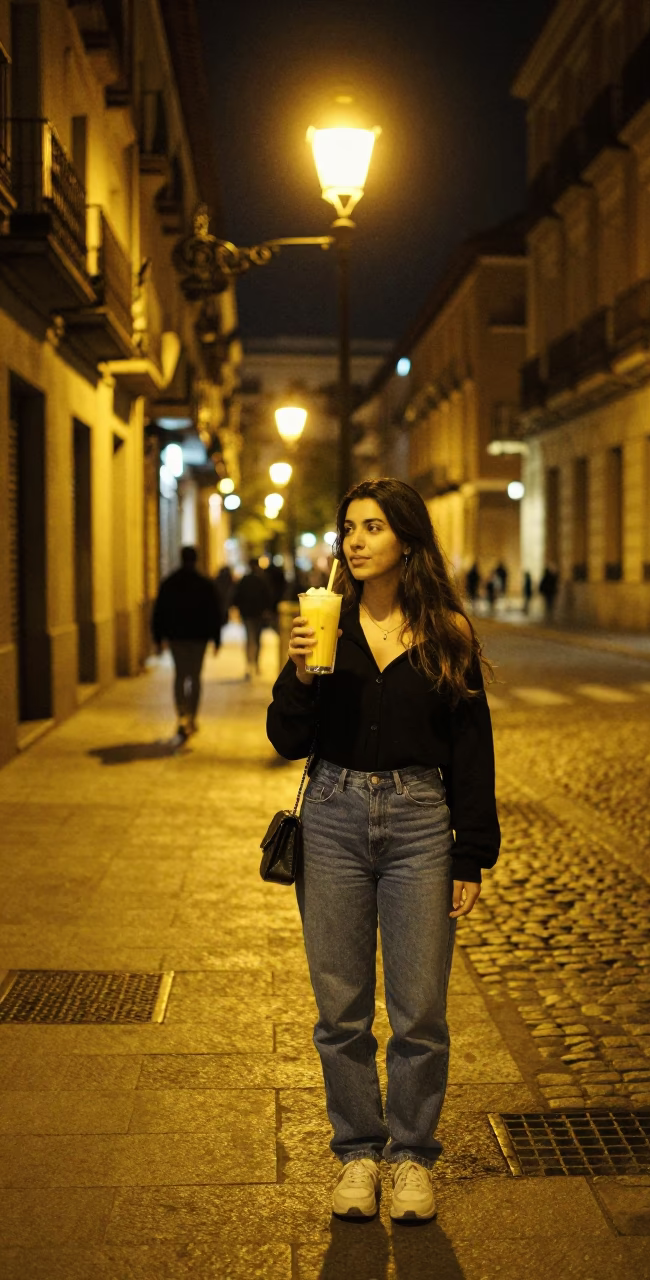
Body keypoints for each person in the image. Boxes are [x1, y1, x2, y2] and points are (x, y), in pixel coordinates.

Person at [267, 478, 500, 1224]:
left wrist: (471, 853)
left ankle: (410, 1158)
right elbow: (285, 738)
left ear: (406, 538)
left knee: (420, 1010)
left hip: (420, 823)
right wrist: (302, 673)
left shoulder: (446, 633)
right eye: (348, 528)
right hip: (333, 815)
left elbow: (471, 747)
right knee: (340, 1010)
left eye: (372, 527)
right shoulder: (322, 623)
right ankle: (357, 1154)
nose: (355, 540)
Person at [152, 546, 222, 738]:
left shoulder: (169, 583)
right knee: (195, 676)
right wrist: (216, 639)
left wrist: (158, 639)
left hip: (177, 637)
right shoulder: (205, 584)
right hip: (198, 638)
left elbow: (159, 612)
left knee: (180, 675)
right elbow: (214, 613)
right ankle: (192, 716)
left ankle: (182, 714)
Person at [233, 559, 273, 679]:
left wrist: (238, 609)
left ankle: (250, 664)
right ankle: (255, 664)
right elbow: (268, 596)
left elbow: (237, 596)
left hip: (247, 614)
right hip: (258, 614)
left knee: (250, 638)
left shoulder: (245, 580)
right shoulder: (262, 579)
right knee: (257, 638)